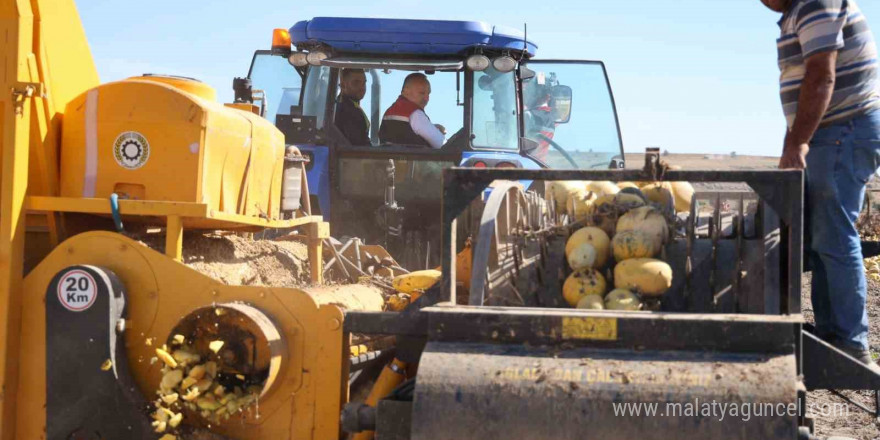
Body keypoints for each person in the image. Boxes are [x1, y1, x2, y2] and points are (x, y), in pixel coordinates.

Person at [762, 0, 880, 370]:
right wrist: (791, 145)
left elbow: (821, 76)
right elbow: (802, 91)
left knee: (833, 233)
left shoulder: (816, 1)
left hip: (844, 129)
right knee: (823, 235)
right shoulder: (798, 11)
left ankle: (849, 341)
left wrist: (797, 143)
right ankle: (832, 334)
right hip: (830, 132)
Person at [379, 73, 446, 148]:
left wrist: (432, 128)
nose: (427, 98)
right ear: (406, 91)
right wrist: (439, 134)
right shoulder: (415, 113)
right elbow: (441, 144)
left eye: (428, 94)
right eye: (422, 93)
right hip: (414, 159)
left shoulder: (390, 111)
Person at [334, 69, 370, 145]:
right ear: (343, 85)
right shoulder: (346, 110)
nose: (362, 87)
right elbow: (356, 144)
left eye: (364, 83)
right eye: (356, 83)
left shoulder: (352, 105)